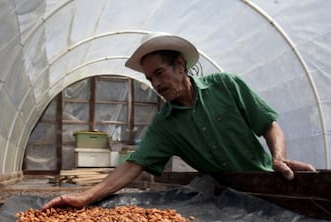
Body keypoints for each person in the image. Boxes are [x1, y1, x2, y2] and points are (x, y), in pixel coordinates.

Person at [42, 32, 315, 210]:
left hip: (267, 185)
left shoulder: (226, 85)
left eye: (159, 73)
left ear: (181, 65)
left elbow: (268, 124)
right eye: (150, 79)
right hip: (225, 201)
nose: (156, 84)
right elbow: (132, 166)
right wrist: (86, 197)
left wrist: (278, 157)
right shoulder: (165, 124)